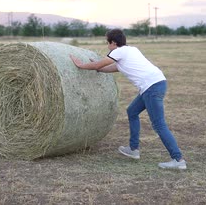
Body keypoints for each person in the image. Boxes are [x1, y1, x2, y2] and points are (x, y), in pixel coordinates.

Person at [70, 28, 186, 170]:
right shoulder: (131, 50)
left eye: (108, 43)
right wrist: (98, 68)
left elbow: (100, 64)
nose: (107, 46)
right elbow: (113, 67)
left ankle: (178, 159)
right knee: (132, 111)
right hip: (156, 84)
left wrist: (81, 65)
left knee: (159, 125)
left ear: (113, 42)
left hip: (151, 88)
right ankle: (133, 149)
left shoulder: (118, 51)